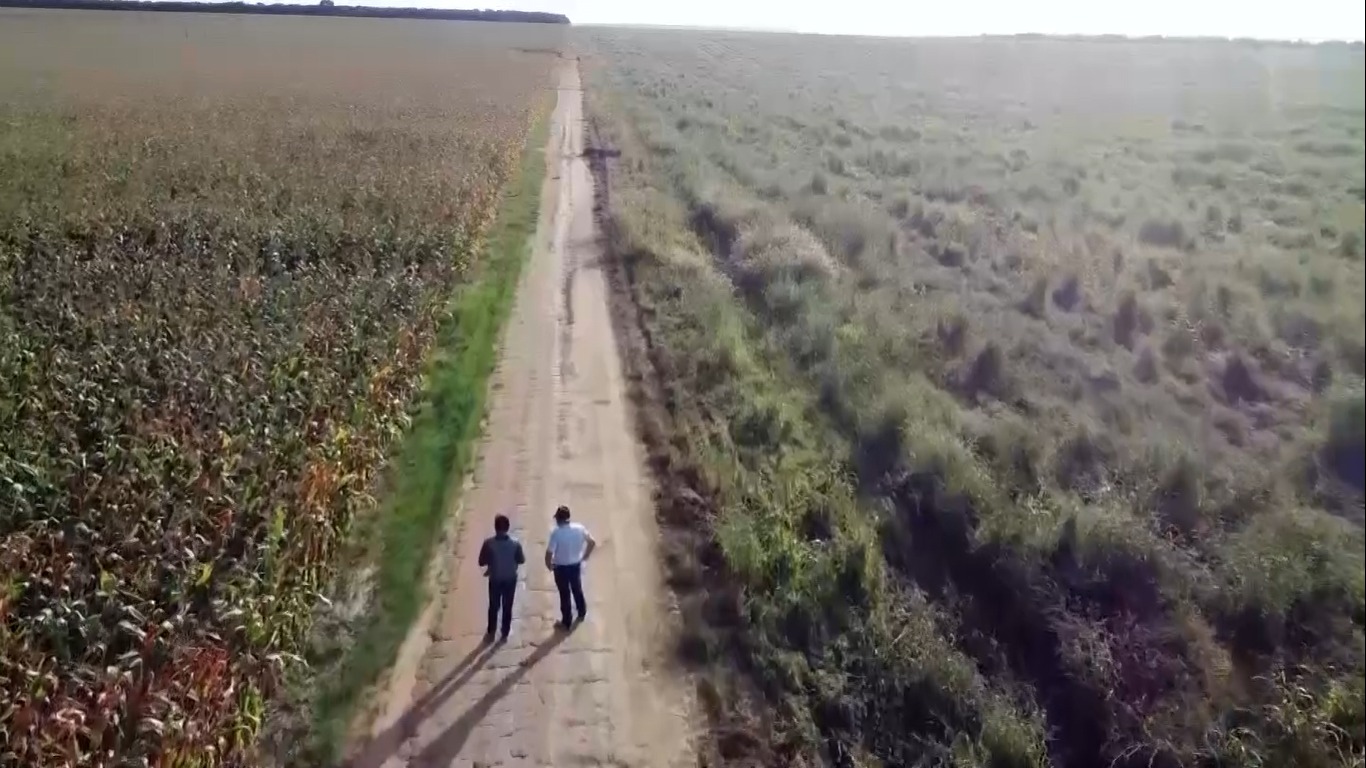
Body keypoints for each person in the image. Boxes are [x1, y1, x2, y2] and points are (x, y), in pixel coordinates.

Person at [544, 505, 596, 630]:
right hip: (575, 565)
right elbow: (592, 542)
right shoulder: (579, 528)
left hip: (560, 567)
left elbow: (549, 553)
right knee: (577, 588)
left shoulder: (556, 533)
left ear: (558, 519)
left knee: (564, 593)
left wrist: (549, 565)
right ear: (568, 518)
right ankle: (582, 611)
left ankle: (566, 621)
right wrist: (585, 556)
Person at [477, 513, 525, 642]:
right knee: (507, 605)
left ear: (495, 527)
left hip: (495, 578)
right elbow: (521, 560)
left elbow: (481, 561)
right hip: (510, 578)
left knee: (494, 605)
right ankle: (505, 632)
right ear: (508, 528)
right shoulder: (515, 543)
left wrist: (492, 562)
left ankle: (491, 631)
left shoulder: (488, 543)